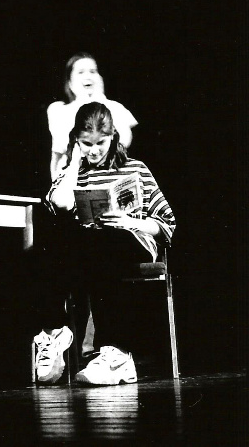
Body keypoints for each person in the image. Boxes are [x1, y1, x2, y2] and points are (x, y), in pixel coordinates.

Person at [33, 102, 175, 385]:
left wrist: (129, 221)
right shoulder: (75, 171)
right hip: (92, 246)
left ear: (113, 138)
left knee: (101, 243)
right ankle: (56, 331)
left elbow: (167, 223)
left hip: (132, 239)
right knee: (53, 240)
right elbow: (58, 203)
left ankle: (116, 353)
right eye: (87, 144)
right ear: (76, 141)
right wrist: (74, 162)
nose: (95, 151)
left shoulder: (136, 168)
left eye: (101, 143)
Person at [47, 52, 138, 180]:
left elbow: (124, 140)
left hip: (110, 175)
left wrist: (100, 103)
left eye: (93, 71)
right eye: (80, 72)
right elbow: (62, 148)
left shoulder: (114, 107)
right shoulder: (59, 110)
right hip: (75, 177)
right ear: (70, 82)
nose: (88, 76)